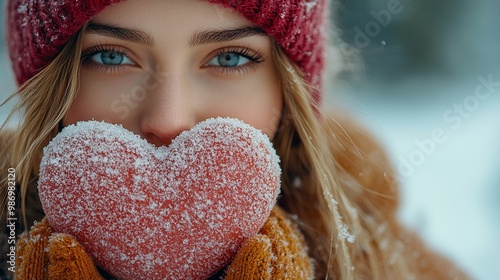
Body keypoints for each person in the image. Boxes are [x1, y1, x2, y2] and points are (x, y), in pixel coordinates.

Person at [0, 0, 468, 279]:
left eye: (228, 58)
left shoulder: (391, 267)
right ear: (46, 83)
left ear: (290, 90)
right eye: (108, 55)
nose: (168, 119)